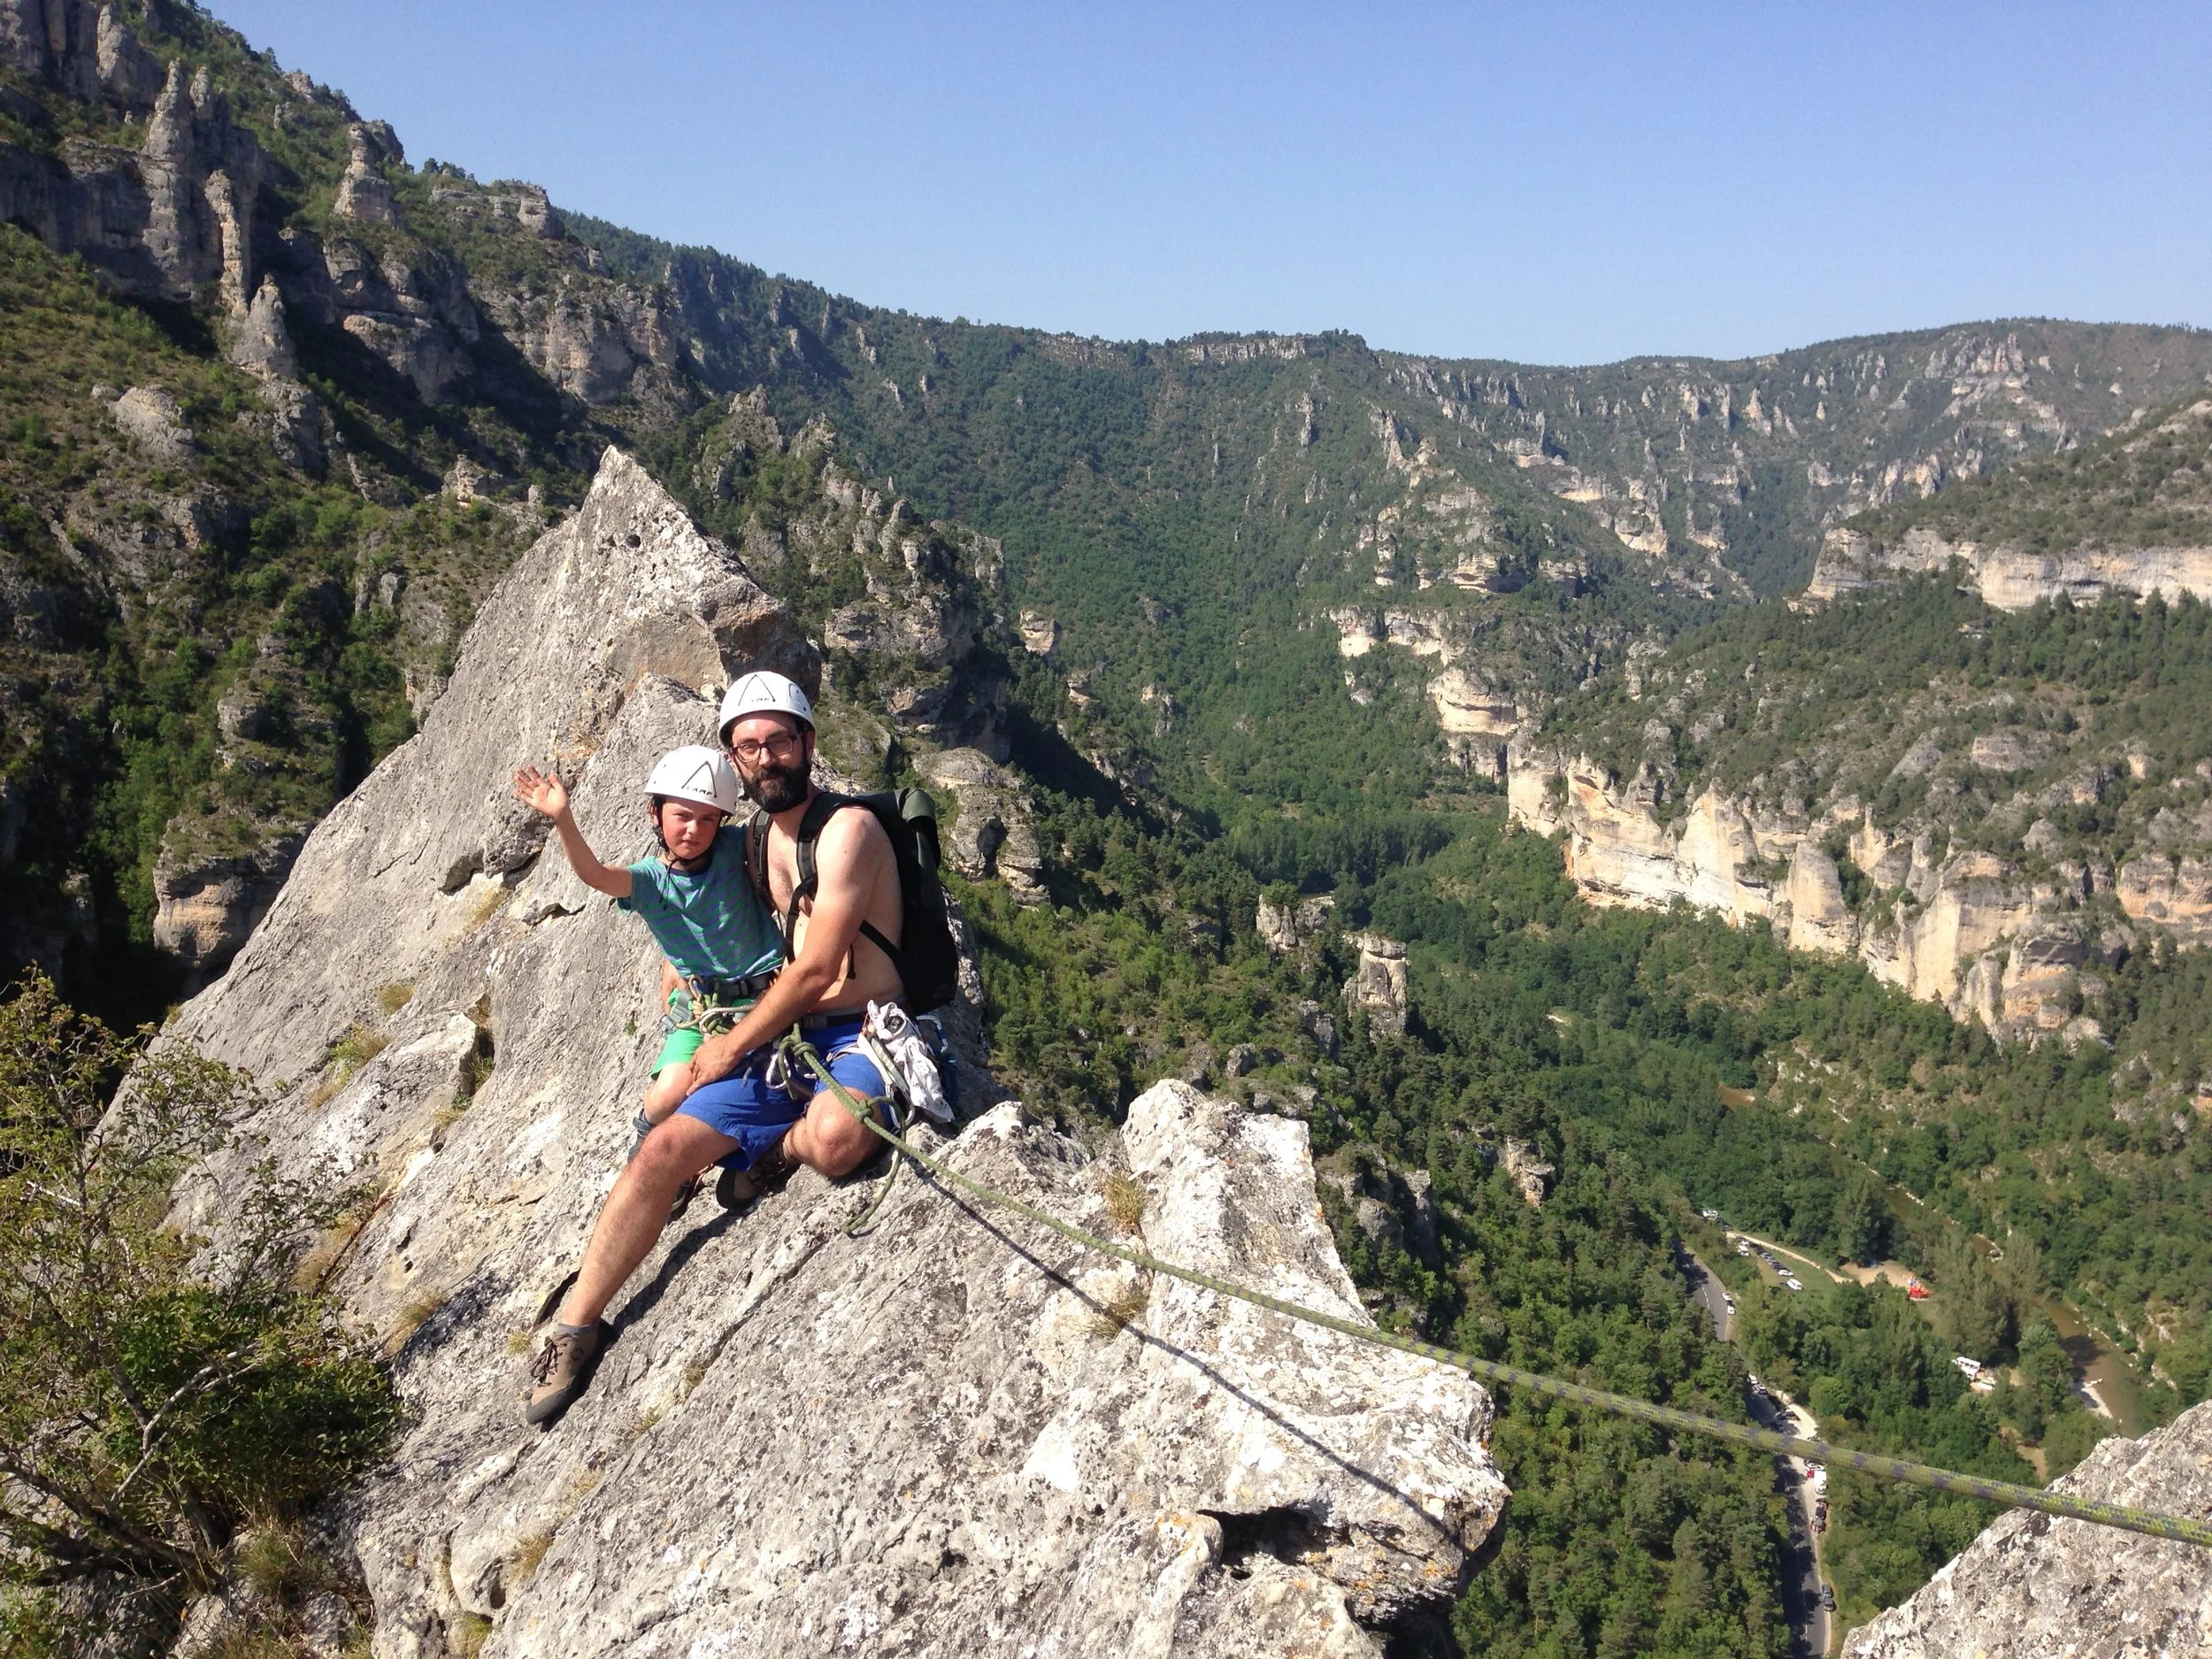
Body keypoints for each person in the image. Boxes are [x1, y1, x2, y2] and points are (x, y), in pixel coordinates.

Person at [527, 672, 907, 1425]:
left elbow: (816, 970)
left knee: (836, 1139)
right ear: (734, 760)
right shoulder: (753, 840)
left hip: (854, 1025)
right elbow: (689, 908)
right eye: (748, 746)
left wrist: (731, 1043)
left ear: (808, 743)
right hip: (782, 1034)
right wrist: (687, 984)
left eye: (779, 741)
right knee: (663, 1148)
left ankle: (777, 1151)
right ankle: (574, 1325)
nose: (766, 757)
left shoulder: (849, 831)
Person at [511, 745, 780, 1159]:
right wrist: (563, 818)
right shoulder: (651, 882)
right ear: (656, 814)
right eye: (682, 816)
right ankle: (649, 1130)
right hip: (704, 1008)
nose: (694, 829)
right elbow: (597, 875)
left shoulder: (734, 845)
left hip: (768, 994)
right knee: (669, 1093)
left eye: (708, 818)